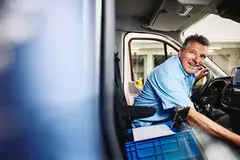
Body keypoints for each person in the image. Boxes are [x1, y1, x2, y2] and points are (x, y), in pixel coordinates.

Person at [132, 34, 240, 146]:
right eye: (192, 52)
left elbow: (182, 82)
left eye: (202, 56)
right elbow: (192, 116)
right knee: (208, 141)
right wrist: (237, 140)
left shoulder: (180, 66)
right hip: (146, 127)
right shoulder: (167, 74)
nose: (197, 60)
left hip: (163, 120)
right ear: (180, 52)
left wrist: (196, 77)